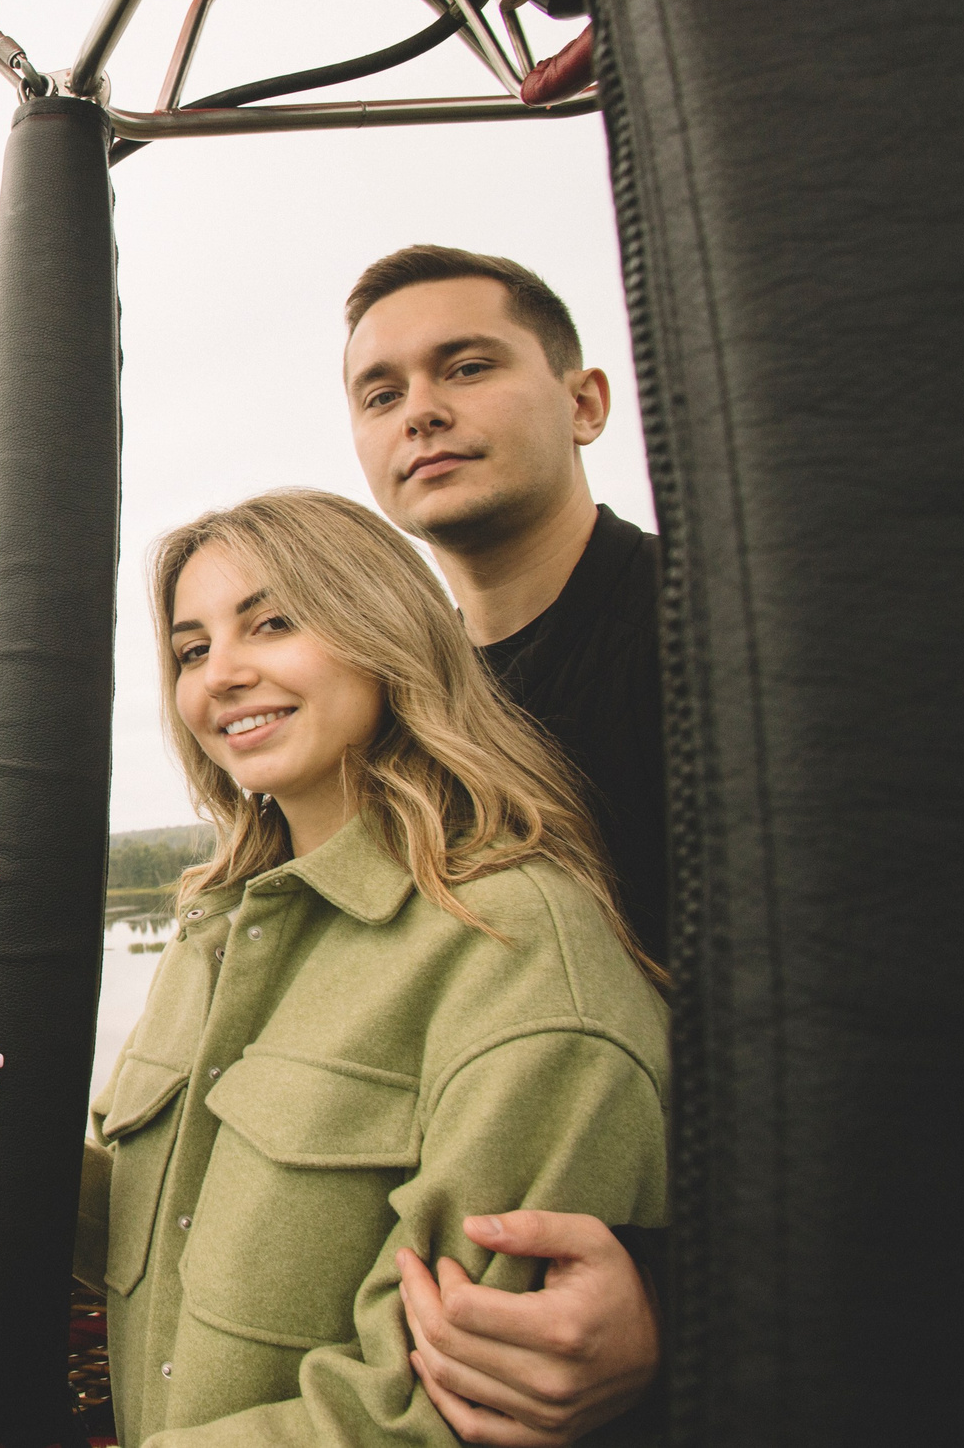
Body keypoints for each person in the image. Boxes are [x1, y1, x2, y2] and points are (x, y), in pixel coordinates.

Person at [0, 490, 668, 1446]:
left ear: (383, 631)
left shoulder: (513, 949)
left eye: (272, 622)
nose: (222, 673)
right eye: (191, 649)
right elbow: (150, 1240)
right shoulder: (216, 927)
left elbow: (430, 1407)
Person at [340, 246, 666, 1444]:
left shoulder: (718, 640)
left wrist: (672, 1304)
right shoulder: (400, 722)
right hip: (443, 1325)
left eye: (465, 366)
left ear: (583, 402)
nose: (419, 408)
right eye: (379, 395)